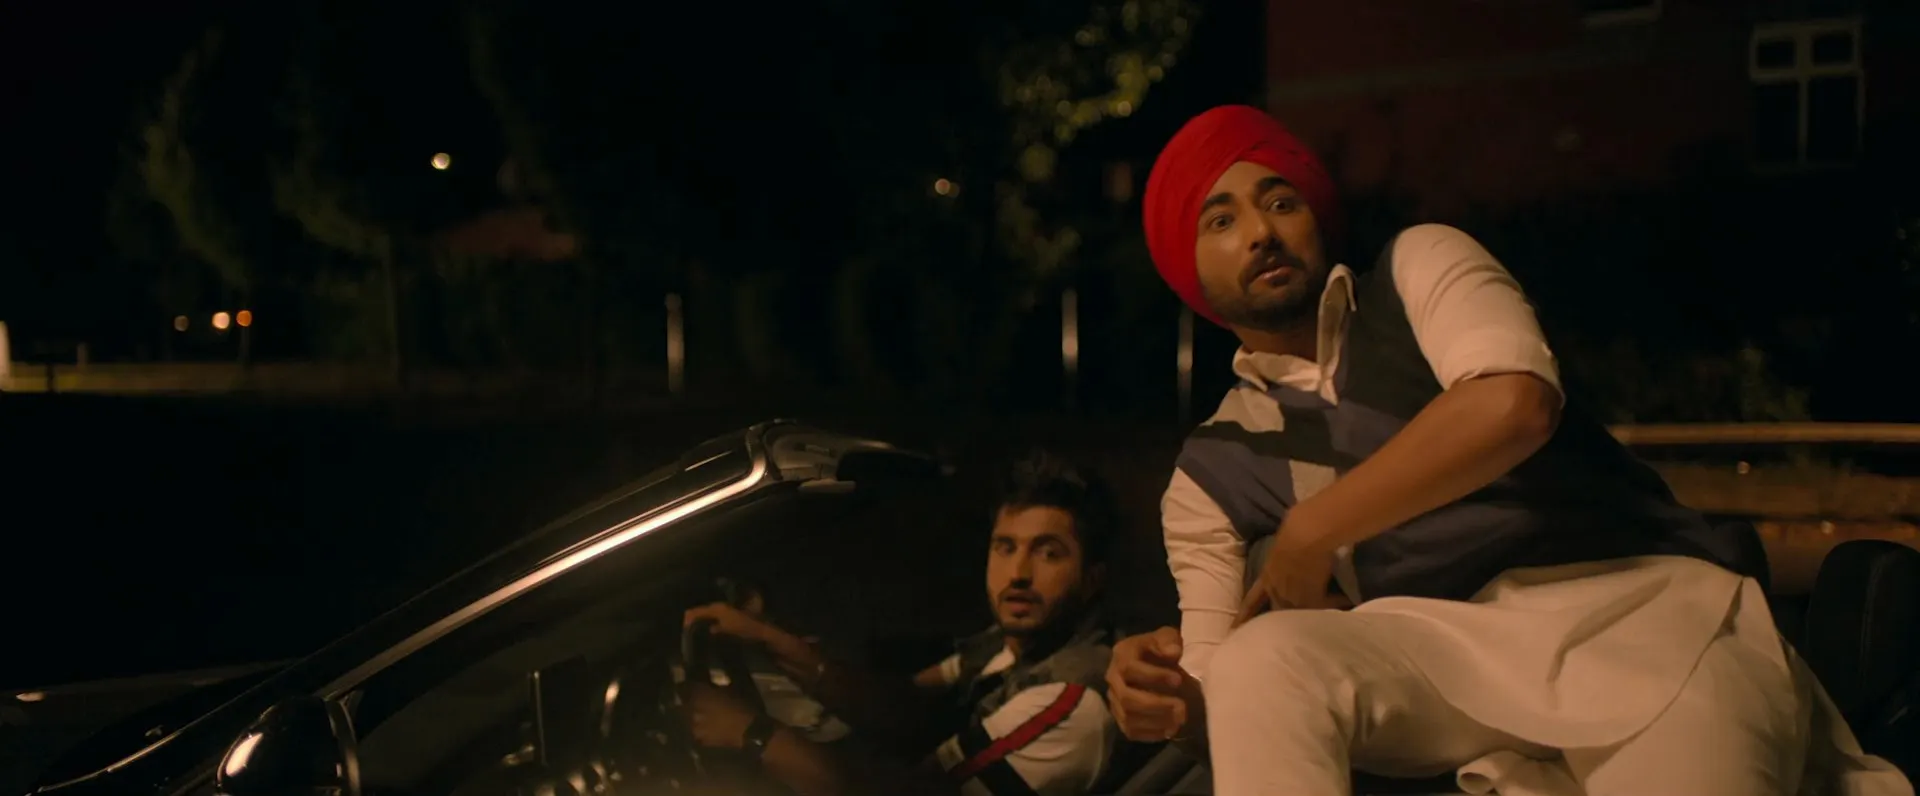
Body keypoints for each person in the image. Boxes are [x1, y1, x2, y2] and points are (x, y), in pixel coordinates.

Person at [1103, 104, 1914, 796]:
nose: (1260, 232)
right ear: (1188, 269)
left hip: (1650, 617)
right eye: (1221, 220)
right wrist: (1169, 701)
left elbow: (1513, 404)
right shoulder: (1212, 470)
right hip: (1448, 656)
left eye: (1279, 201)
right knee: (1260, 662)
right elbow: (1218, 688)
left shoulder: (1419, 266)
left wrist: (1315, 530)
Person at [681, 450, 1124, 796]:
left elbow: (915, 793)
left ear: (1092, 580)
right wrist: (769, 639)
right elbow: (905, 708)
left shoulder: (1071, 700)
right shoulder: (1007, 646)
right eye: (1005, 547)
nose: (1019, 573)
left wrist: (753, 734)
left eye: (1049, 553)